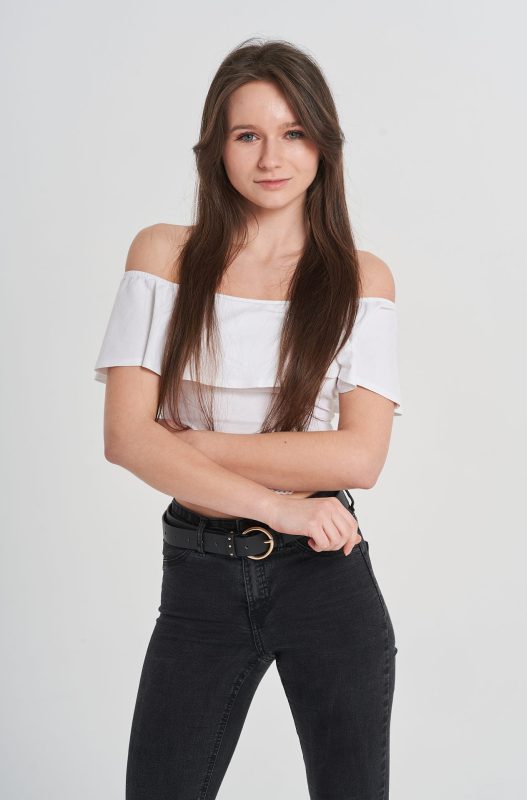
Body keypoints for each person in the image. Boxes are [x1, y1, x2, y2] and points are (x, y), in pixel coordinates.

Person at [94, 37, 403, 800]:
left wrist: (192, 445)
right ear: (217, 147)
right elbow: (125, 438)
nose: (272, 157)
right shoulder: (164, 256)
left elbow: (359, 458)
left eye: (293, 132)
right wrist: (280, 507)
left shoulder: (360, 279)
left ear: (323, 145)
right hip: (199, 576)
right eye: (247, 135)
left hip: (326, 580)